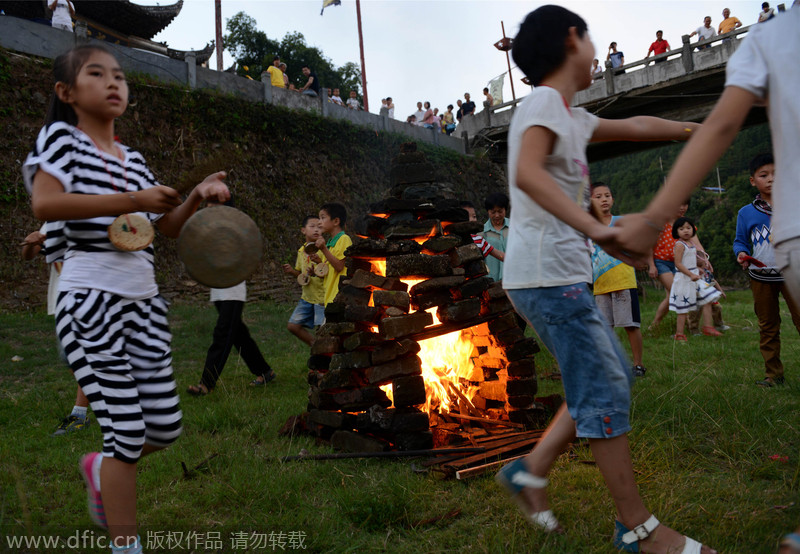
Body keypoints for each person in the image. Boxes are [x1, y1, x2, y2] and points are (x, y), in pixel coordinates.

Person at [495, 7, 713, 553]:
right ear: (572, 39)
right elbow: (526, 172)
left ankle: (532, 470)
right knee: (605, 386)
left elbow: (636, 126)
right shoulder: (544, 102)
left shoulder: (573, 116)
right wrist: (600, 231)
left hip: (557, 276)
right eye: (589, 38)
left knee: (608, 370)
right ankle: (638, 530)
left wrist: (702, 128)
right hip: (547, 278)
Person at [24, 44, 230, 552]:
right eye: (98, 74)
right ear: (66, 92)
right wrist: (133, 200)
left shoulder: (134, 159)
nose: (115, 82)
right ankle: (125, 545)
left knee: (163, 428)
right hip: (90, 300)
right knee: (127, 433)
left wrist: (195, 197)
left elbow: (166, 230)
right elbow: (44, 203)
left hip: (144, 303)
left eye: (120, 75)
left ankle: (98, 469)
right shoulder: (62, 143)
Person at [612, 7, 800, 328]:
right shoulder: (772, 37)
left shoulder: (770, 37)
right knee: (681, 300)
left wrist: (650, 224)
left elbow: (722, 126)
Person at [733, 153, 800, 387]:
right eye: (764, 175)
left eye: (776, 174)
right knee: (768, 326)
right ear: (753, 181)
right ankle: (774, 375)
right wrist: (741, 254)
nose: (771, 179)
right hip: (760, 276)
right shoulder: (746, 213)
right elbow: (740, 241)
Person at [21, 224, 91, 435]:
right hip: (63, 296)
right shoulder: (53, 221)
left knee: (80, 357)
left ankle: (80, 415)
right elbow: (29, 254)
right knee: (69, 358)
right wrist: (30, 241)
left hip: (87, 295)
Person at [589, 183, 646, 377]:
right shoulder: (587, 227)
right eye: (598, 196)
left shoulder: (621, 222)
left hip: (624, 280)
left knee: (631, 325)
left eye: (607, 195)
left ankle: (638, 364)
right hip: (600, 284)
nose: (604, 199)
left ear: (613, 199)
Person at [668, 217, 723, 342]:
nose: (686, 231)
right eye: (681, 229)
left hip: (695, 277)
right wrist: (691, 274)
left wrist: (698, 269)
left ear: (693, 229)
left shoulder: (692, 244)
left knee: (708, 297)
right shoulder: (679, 245)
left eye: (688, 228)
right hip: (683, 279)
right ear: (676, 232)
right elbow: (678, 264)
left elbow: (689, 261)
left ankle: (708, 327)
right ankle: (679, 334)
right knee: (682, 308)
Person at [282, 215, 325, 346]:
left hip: (321, 299)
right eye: (312, 226)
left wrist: (317, 270)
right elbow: (301, 274)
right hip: (306, 298)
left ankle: (320, 361)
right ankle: (315, 345)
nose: (316, 230)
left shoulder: (324, 249)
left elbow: (328, 271)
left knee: (322, 332)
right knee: (293, 326)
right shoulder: (301, 251)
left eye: (319, 227)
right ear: (303, 230)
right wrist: (292, 272)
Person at [646, 202, 688, 330]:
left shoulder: (685, 224)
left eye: (685, 204)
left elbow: (693, 244)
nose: (682, 207)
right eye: (679, 203)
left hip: (678, 263)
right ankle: (684, 327)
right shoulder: (661, 223)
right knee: (678, 291)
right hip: (661, 262)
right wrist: (651, 265)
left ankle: (655, 325)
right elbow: (649, 244)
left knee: (671, 296)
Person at [316, 203, 352, 307]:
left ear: (336, 221)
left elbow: (339, 266)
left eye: (323, 218)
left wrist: (323, 249)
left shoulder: (344, 239)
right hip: (329, 296)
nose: (319, 222)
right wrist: (318, 262)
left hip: (337, 297)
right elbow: (327, 270)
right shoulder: (330, 244)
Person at [480, 192, 509, 284]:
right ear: (488, 211)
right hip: (492, 282)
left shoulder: (515, 228)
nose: (497, 215)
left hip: (514, 279)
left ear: (505, 210)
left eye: (500, 211)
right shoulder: (482, 232)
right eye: (493, 212)